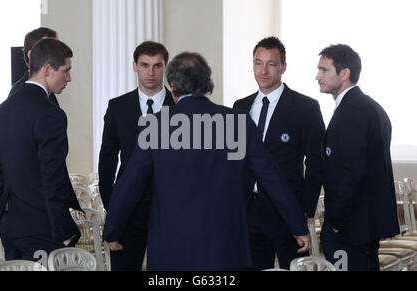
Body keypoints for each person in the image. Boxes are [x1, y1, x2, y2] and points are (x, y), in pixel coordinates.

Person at [103, 51, 311, 271]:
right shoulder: (236, 122)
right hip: (226, 246)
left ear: (172, 85)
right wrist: (297, 226)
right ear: (206, 83)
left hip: (172, 247)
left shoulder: (157, 125)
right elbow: (271, 177)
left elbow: (130, 183)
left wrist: (113, 229)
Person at [233, 37, 325, 270]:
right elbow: (233, 159)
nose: (263, 70)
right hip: (247, 210)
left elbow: (317, 163)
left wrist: (303, 210)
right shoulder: (239, 107)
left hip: (286, 211)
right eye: (258, 63)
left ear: (283, 67)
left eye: (271, 64)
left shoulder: (305, 108)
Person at [0, 39, 82, 261]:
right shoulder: (51, 114)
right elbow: (53, 178)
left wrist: (6, 217)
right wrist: (62, 229)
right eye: (66, 70)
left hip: (11, 228)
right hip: (43, 229)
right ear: (48, 69)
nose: (69, 78)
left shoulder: (2, 110)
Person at [316, 44, 400, 271]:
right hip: (362, 224)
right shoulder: (370, 106)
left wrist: (335, 222)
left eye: (324, 70)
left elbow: (353, 172)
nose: (317, 76)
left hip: (350, 227)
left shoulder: (352, 110)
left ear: (344, 74)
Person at [98, 41, 175, 270]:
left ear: (165, 67)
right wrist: (112, 207)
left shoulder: (181, 108)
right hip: (127, 211)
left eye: (157, 66)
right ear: (135, 66)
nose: (150, 72)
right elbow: (107, 160)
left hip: (169, 210)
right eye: (144, 65)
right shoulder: (118, 107)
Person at [8, 27, 59, 108]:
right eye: (51, 49)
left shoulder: (45, 88)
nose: (58, 55)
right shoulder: (20, 93)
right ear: (31, 55)